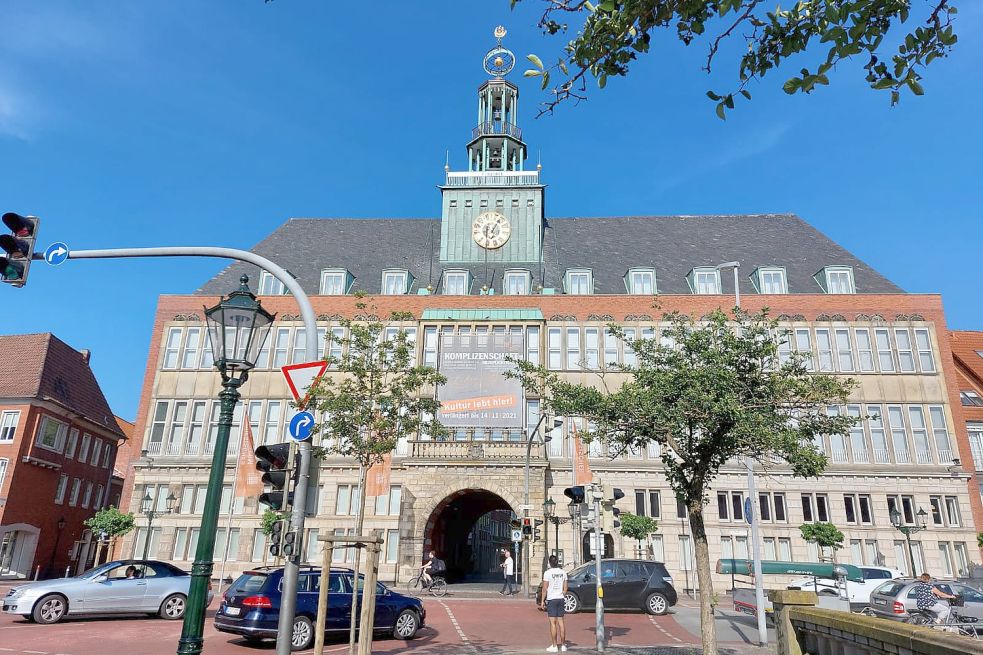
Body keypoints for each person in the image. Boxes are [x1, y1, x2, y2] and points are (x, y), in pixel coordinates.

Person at [539, 555, 568, 653]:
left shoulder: (547, 573)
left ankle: (555, 645)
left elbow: (544, 588)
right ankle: (563, 645)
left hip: (552, 599)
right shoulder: (563, 573)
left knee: (553, 623)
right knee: (561, 622)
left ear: (550, 563)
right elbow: (565, 588)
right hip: (560, 598)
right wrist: (561, 594)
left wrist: (542, 601)